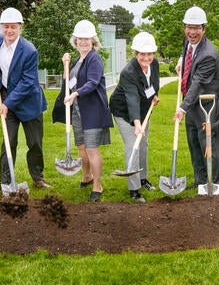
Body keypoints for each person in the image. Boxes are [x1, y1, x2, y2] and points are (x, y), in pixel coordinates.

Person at [0, 7, 51, 192]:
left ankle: (38, 177)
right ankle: (5, 183)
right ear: (1, 28)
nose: (9, 31)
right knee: (9, 142)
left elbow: (28, 82)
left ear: (20, 28)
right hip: (7, 98)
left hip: (30, 103)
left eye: (13, 27)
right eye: (6, 27)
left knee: (35, 143)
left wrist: (7, 103)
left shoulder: (30, 51)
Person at [173, 6, 219, 189]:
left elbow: (197, 83)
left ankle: (212, 182)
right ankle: (199, 180)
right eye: (189, 27)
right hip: (193, 105)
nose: (192, 32)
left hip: (208, 106)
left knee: (209, 145)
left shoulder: (208, 54)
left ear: (204, 29)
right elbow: (188, 54)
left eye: (196, 28)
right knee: (194, 143)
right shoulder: (189, 42)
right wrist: (181, 61)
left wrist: (182, 108)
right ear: (185, 28)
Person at [53, 20, 113, 201]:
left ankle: (97, 185)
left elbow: (93, 83)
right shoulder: (78, 60)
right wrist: (66, 65)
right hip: (78, 111)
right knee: (81, 147)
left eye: (87, 39)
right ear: (75, 41)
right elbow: (69, 83)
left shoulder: (94, 58)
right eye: (80, 39)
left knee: (92, 149)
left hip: (93, 111)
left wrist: (75, 94)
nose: (83, 42)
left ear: (93, 41)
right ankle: (87, 176)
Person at [109, 32, 160, 203]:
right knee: (133, 146)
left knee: (143, 145)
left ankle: (143, 179)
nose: (146, 58)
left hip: (145, 109)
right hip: (124, 112)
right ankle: (134, 189)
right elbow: (132, 99)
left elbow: (153, 83)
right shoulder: (128, 72)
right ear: (136, 53)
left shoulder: (155, 64)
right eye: (142, 54)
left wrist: (154, 95)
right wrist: (137, 124)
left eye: (149, 54)